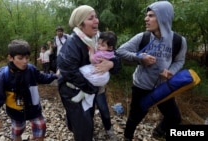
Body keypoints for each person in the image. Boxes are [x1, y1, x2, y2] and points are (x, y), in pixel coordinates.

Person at [116, 1, 187, 141]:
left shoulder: (179, 41)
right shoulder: (143, 37)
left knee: (174, 117)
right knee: (135, 116)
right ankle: (127, 137)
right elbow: (120, 51)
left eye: (151, 15)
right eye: (146, 15)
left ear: (163, 18)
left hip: (163, 87)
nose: (146, 19)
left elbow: (180, 60)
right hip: (141, 86)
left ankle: (158, 133)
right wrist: (140, 58)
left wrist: (170, 71)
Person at [57, 5, 121, 141]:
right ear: (81, 24)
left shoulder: (99, 38)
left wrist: (112, 63)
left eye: (96, 17)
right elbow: (69, 72)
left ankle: (75, 123)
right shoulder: (72, 44)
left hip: (90, 91)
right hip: (72, 92)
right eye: (91, 18)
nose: (96, 20)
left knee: (87, 119)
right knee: (84, 130)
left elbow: (115, 57)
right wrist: (93, 88)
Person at [0, 39, 58, 141]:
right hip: (16, 112)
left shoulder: (31, 69)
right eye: (20, 58)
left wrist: (55, 76)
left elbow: (42, 78)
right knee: (17, 132)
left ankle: (36, 137)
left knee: (41, 128)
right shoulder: (4, 76)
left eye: (27, 58)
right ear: (10, 58)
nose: (25, 61)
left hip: (34, 109)